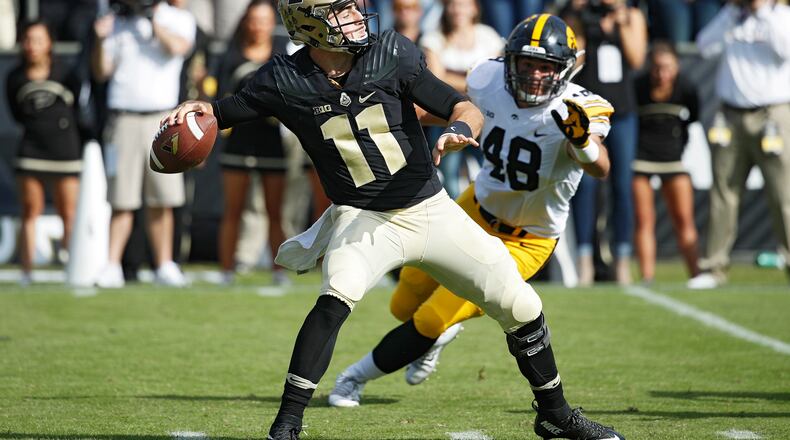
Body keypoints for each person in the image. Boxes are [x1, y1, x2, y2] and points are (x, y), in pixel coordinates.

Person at [164, 4, 624, 440]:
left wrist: (462, 129)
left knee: (520, 305)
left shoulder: (390, 51)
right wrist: (192, 112)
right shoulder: (284, 78)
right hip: (361, 217)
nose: (354, 15)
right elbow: (221, 112)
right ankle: (286, 424)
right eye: (341, 9)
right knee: (334, 299)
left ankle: (556, 416)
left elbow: (458, 104)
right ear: (310, 22)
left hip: (431, 208)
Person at [327, 11, 614, 426]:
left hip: (526, 238)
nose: (534, 75)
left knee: (432, 316)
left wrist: (583, 142)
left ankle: (352, 379)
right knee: (403, 302)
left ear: (564, 70)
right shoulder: (488, 79)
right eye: (527, 64)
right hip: (472, 209)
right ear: (509, 60)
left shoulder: (579, 107)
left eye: (545, 67)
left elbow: (599, 166)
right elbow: (445, 109)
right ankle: (436, 337)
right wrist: (385, 110)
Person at [91, 0, 196, 288]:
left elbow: (178, 48)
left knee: (162, 198)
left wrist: (152, 21)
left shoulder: (176, 17)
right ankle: (112, 264)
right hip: (124, 117)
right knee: (122, 199)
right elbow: (101, 71)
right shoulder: (117, 20)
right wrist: (100, 39)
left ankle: (164, 264)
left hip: (162, 118)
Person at [688, 0, 790, 288]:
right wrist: (732, 13)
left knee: (784, 196)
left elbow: (785, 49)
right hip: (730, 115)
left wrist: (762, 13)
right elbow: (704, 45)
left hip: (773, 114)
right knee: (724, 193)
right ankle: (713, 267)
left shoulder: (781, 16)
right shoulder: (732, 16)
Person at [561, 0, 647, 285]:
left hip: (622, 112)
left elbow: (637, 59)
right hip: (588, 112)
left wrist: (620, 23)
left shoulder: (631, 15)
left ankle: (622, 260)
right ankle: (585, 260)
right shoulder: (580, 15)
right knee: (584, 187)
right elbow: (576, 61)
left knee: (622, 186)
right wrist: (583, 21)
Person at [214, 0, 291, 285]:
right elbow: (219, 98)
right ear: (246, 22)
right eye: (254, 19)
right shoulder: (231, 55)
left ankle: (279, 272)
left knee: (274, 212)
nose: (259, 25)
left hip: (271, 141)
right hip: (238, 141)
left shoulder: (282, 55)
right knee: (232, 210)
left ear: (273, 23)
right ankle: (226, 270)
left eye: (265, 20)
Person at [5, 20, 83, 285]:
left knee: (69, 212)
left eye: (38, 40)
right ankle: (26, 272)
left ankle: (72, 268)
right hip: (31, 151)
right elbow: (16, 114)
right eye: (28, 40)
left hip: (65, 151)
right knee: (30, 210)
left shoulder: (66, 74)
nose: (32, 46)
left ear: (49, 43)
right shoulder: (15, 77)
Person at [420, 0, 503, 199]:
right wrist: (476, 78)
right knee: (448, 173)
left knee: (490, 167)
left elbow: (497, 74)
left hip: (487, 115)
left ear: (475, 8)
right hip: (446, 116)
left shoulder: (488, 35)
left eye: (464, 4)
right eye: (453, 5)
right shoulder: (433, 38)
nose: (458, 10)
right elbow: (435, 78)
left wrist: (452, 77)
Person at [632, 42, 701, 284]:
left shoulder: (687, 88)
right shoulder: (638, 87)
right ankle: (647, 277)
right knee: (644, 219)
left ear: (677, 67)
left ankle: (697, 276)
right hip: (642, 159)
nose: (662, 74)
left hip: (674, 160)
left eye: (668, 68)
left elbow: (694, 117)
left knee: (683, 218)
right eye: (657, 68)